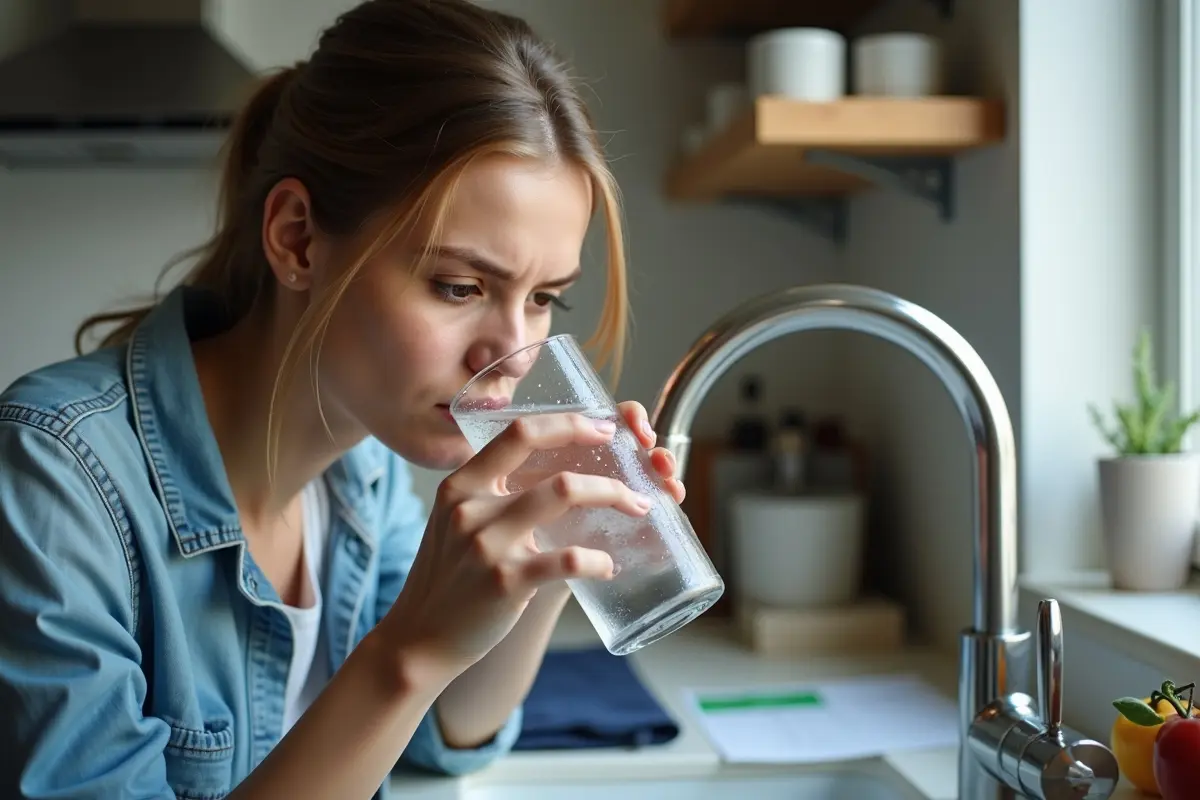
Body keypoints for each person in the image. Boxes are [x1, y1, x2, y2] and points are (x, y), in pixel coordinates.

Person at [0, 1, 686, 798]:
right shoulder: (55, 485)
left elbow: (439, 739)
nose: (507, 355)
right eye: (460, 286)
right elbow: (408, 684)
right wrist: (410, 651)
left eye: (544, 299)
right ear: (297, 239)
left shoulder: (359, 474)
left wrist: (562, 545)